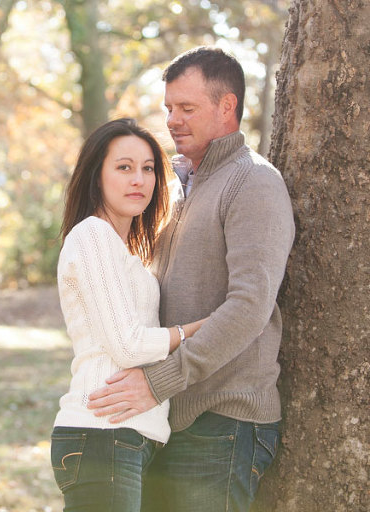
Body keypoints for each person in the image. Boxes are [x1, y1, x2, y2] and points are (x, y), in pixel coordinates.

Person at [86, 47, 296, 511]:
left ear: (227, 106)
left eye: (187, 108)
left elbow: (250, 308)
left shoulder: (254, 182)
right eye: (168, 109)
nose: (173, 120)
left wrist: (159, 380)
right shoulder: (181, 186)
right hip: (170, 417)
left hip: (223, 421)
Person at [51, 118, 207, 512]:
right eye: (124, 167)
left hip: (133, 437)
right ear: (96, 176)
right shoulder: (91, 236)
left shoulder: (130, 254)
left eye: (148, 168)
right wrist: (197, 331)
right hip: (103, 434)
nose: (138, 179)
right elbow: (127, 345)